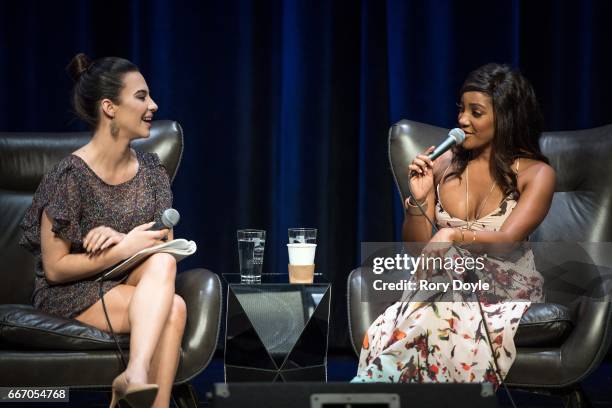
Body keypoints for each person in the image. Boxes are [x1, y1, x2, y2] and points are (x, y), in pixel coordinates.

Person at [353, 63, 555, 384]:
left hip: (503, 287)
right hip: (443, 285)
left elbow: (507, 241)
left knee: (430, 322)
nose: (462, 120)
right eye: (462, 109)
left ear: (506, 117)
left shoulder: (536, 174)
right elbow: (419, 250)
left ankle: (370, 392)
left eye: (476, 112)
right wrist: (418, 202)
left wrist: (452, 232)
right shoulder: (444, 164)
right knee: (404, 324)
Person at [20, 53, 186, 408]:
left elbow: (167, 247)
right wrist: (122, 249)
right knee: (174, 309)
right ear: (109, 107)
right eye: (141, 96)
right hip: (71, 293)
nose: (153, 105)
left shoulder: (152, 169)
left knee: (163, 264)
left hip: (133, 282)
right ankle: (140, 385)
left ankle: (135, 376)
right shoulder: (70, 175)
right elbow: (55, 269)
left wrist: (126, 241)